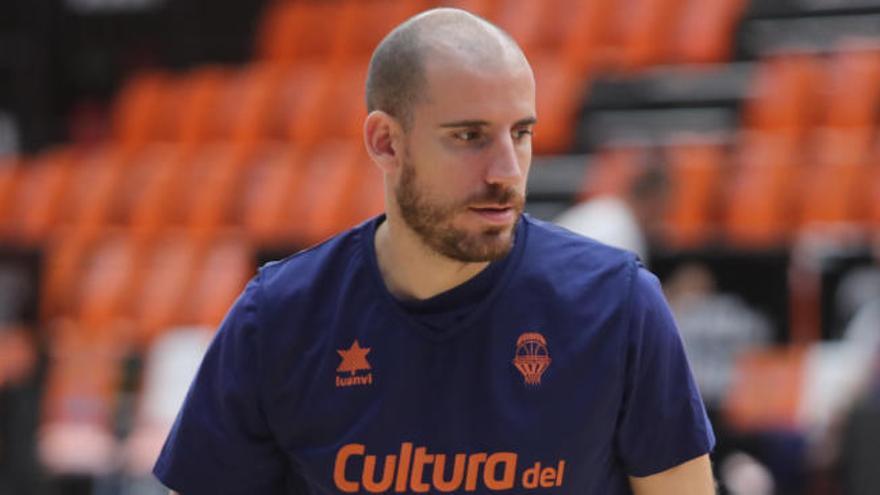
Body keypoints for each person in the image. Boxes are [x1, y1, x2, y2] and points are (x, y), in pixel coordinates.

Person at [154, 8, 715, 494]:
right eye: (468, 137)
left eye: (520, 133)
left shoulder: (618, 305)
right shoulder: (277, 318)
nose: (507, 171)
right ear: (386, 142)